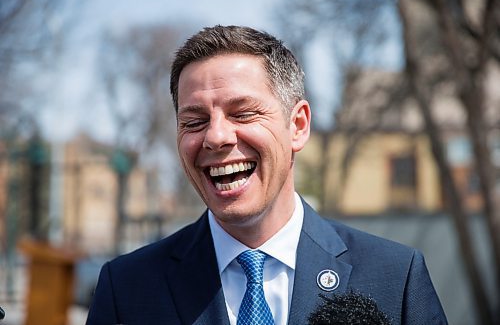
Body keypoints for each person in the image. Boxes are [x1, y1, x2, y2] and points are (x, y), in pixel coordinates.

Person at [86, 25, 447, 325]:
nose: (216, 136)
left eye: (242, 114)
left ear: (298, 126)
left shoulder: (395, 279)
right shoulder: (127, 289)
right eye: (194, 122)